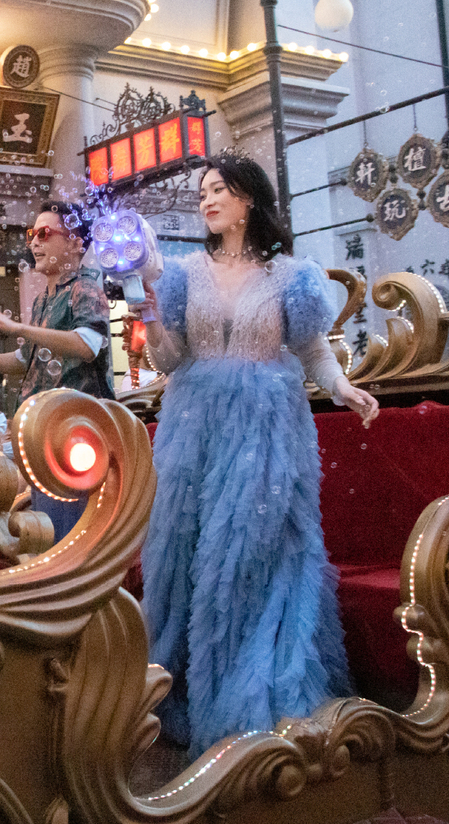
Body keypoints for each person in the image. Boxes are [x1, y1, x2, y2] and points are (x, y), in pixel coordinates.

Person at [134, 151, 380, 758]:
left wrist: (342, 387)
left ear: (248, 198)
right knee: (180, 549)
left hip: (266, 426)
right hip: (191, 426)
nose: (208, 200)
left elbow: (312, 349)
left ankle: (246, 694)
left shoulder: (290, 276)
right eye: (202, 193)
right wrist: (151, 317)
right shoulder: (182, 274)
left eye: (219, 189)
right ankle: (179, 689)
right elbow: (169, 360)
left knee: (248, 549)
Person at [0, 200, 113, 537]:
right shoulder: (41, 301)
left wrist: (17, 328)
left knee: (71, 534)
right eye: (31, 234)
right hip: (44, 434)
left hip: (76, 434)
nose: (34, 242)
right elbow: (25, 361)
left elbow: (87, 345)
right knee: (49, 530)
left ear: (75, 243)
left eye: (44, 233)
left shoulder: (85, 288)